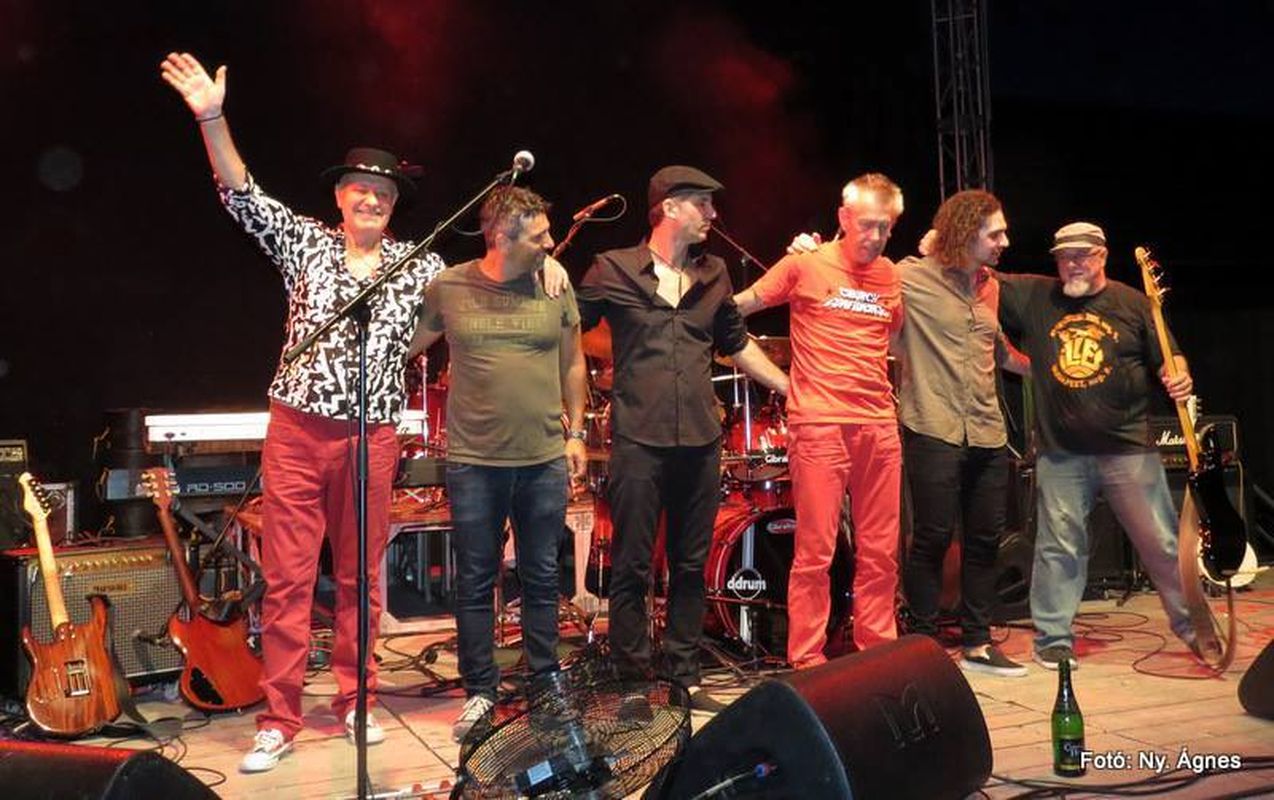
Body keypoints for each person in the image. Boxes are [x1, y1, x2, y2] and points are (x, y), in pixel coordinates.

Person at [159, 52, 568, 771]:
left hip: (371, 436)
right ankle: (280, 720)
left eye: (383, 191)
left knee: (359, 579)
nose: (372, 199)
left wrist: (547, 262)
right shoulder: (307, 246)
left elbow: (492, 270)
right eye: (360, 189)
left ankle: (357, 701)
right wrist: (212, 118)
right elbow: (241, 192)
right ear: (340, 196)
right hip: (296, 429)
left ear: (393, 203)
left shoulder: (422, 269)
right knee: (288, 579)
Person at [578, 166, 787, 709]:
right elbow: (566, 326)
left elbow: (735, 342)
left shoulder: (714, 274)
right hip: (638, 438)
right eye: (702, 204)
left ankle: (683, 677)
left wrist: (789, 386)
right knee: (631, 562)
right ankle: (630, 682)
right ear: (670, 208)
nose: (713, 215)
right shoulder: (612, 269)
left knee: (691, 563)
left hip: (699, 437)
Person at [408, 187, 587, 741]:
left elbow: (574, 361)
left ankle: (545, 686)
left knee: (541, 576)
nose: (551, 244)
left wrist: (577, 433)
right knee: (476, 579)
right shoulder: (449, 286)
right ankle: (480, 691)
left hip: (543, 457)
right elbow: (408, 343)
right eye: (539, 237)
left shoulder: (554, 283)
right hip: (474, 460)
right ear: (502, 237)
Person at [997, 221, 1197, 669]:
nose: (1072, 264)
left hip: (1128, 447)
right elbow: (974, 271)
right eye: (1064, 256)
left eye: (1082, 255)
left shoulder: (1133, 302)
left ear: (1102, 255)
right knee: (1059, 545)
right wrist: (941, 242)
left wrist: (1179, 375)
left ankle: (1192, 626)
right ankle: (1053, 638)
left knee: (1162, 543)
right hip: (1062, 451)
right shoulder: (1034, 295)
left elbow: (1171, 357)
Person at [734, 173, 904, 668]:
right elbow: (735, 310)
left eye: (887, 227)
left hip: (878, 425)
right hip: (820, 425)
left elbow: (893, 340)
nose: (877, 236)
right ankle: (807, 658)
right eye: (868, 225)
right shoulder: (803, 264)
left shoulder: (890, 275)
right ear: (844, 218)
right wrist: (783, 383)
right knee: (815, 552)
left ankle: (879, 650)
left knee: (881, 551)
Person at [891, 190, 1032, 677]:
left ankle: (977, 641)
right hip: (933, 424)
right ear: (966, 234)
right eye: (995, 234)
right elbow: (856, 278)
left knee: (985, 538)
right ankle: (923, 644)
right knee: (932, 536)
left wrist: (1052, 370)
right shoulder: (911, 278)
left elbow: (999, 351)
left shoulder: (990, 287)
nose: (1004, 242)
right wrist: (810, 249)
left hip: (987, 430)